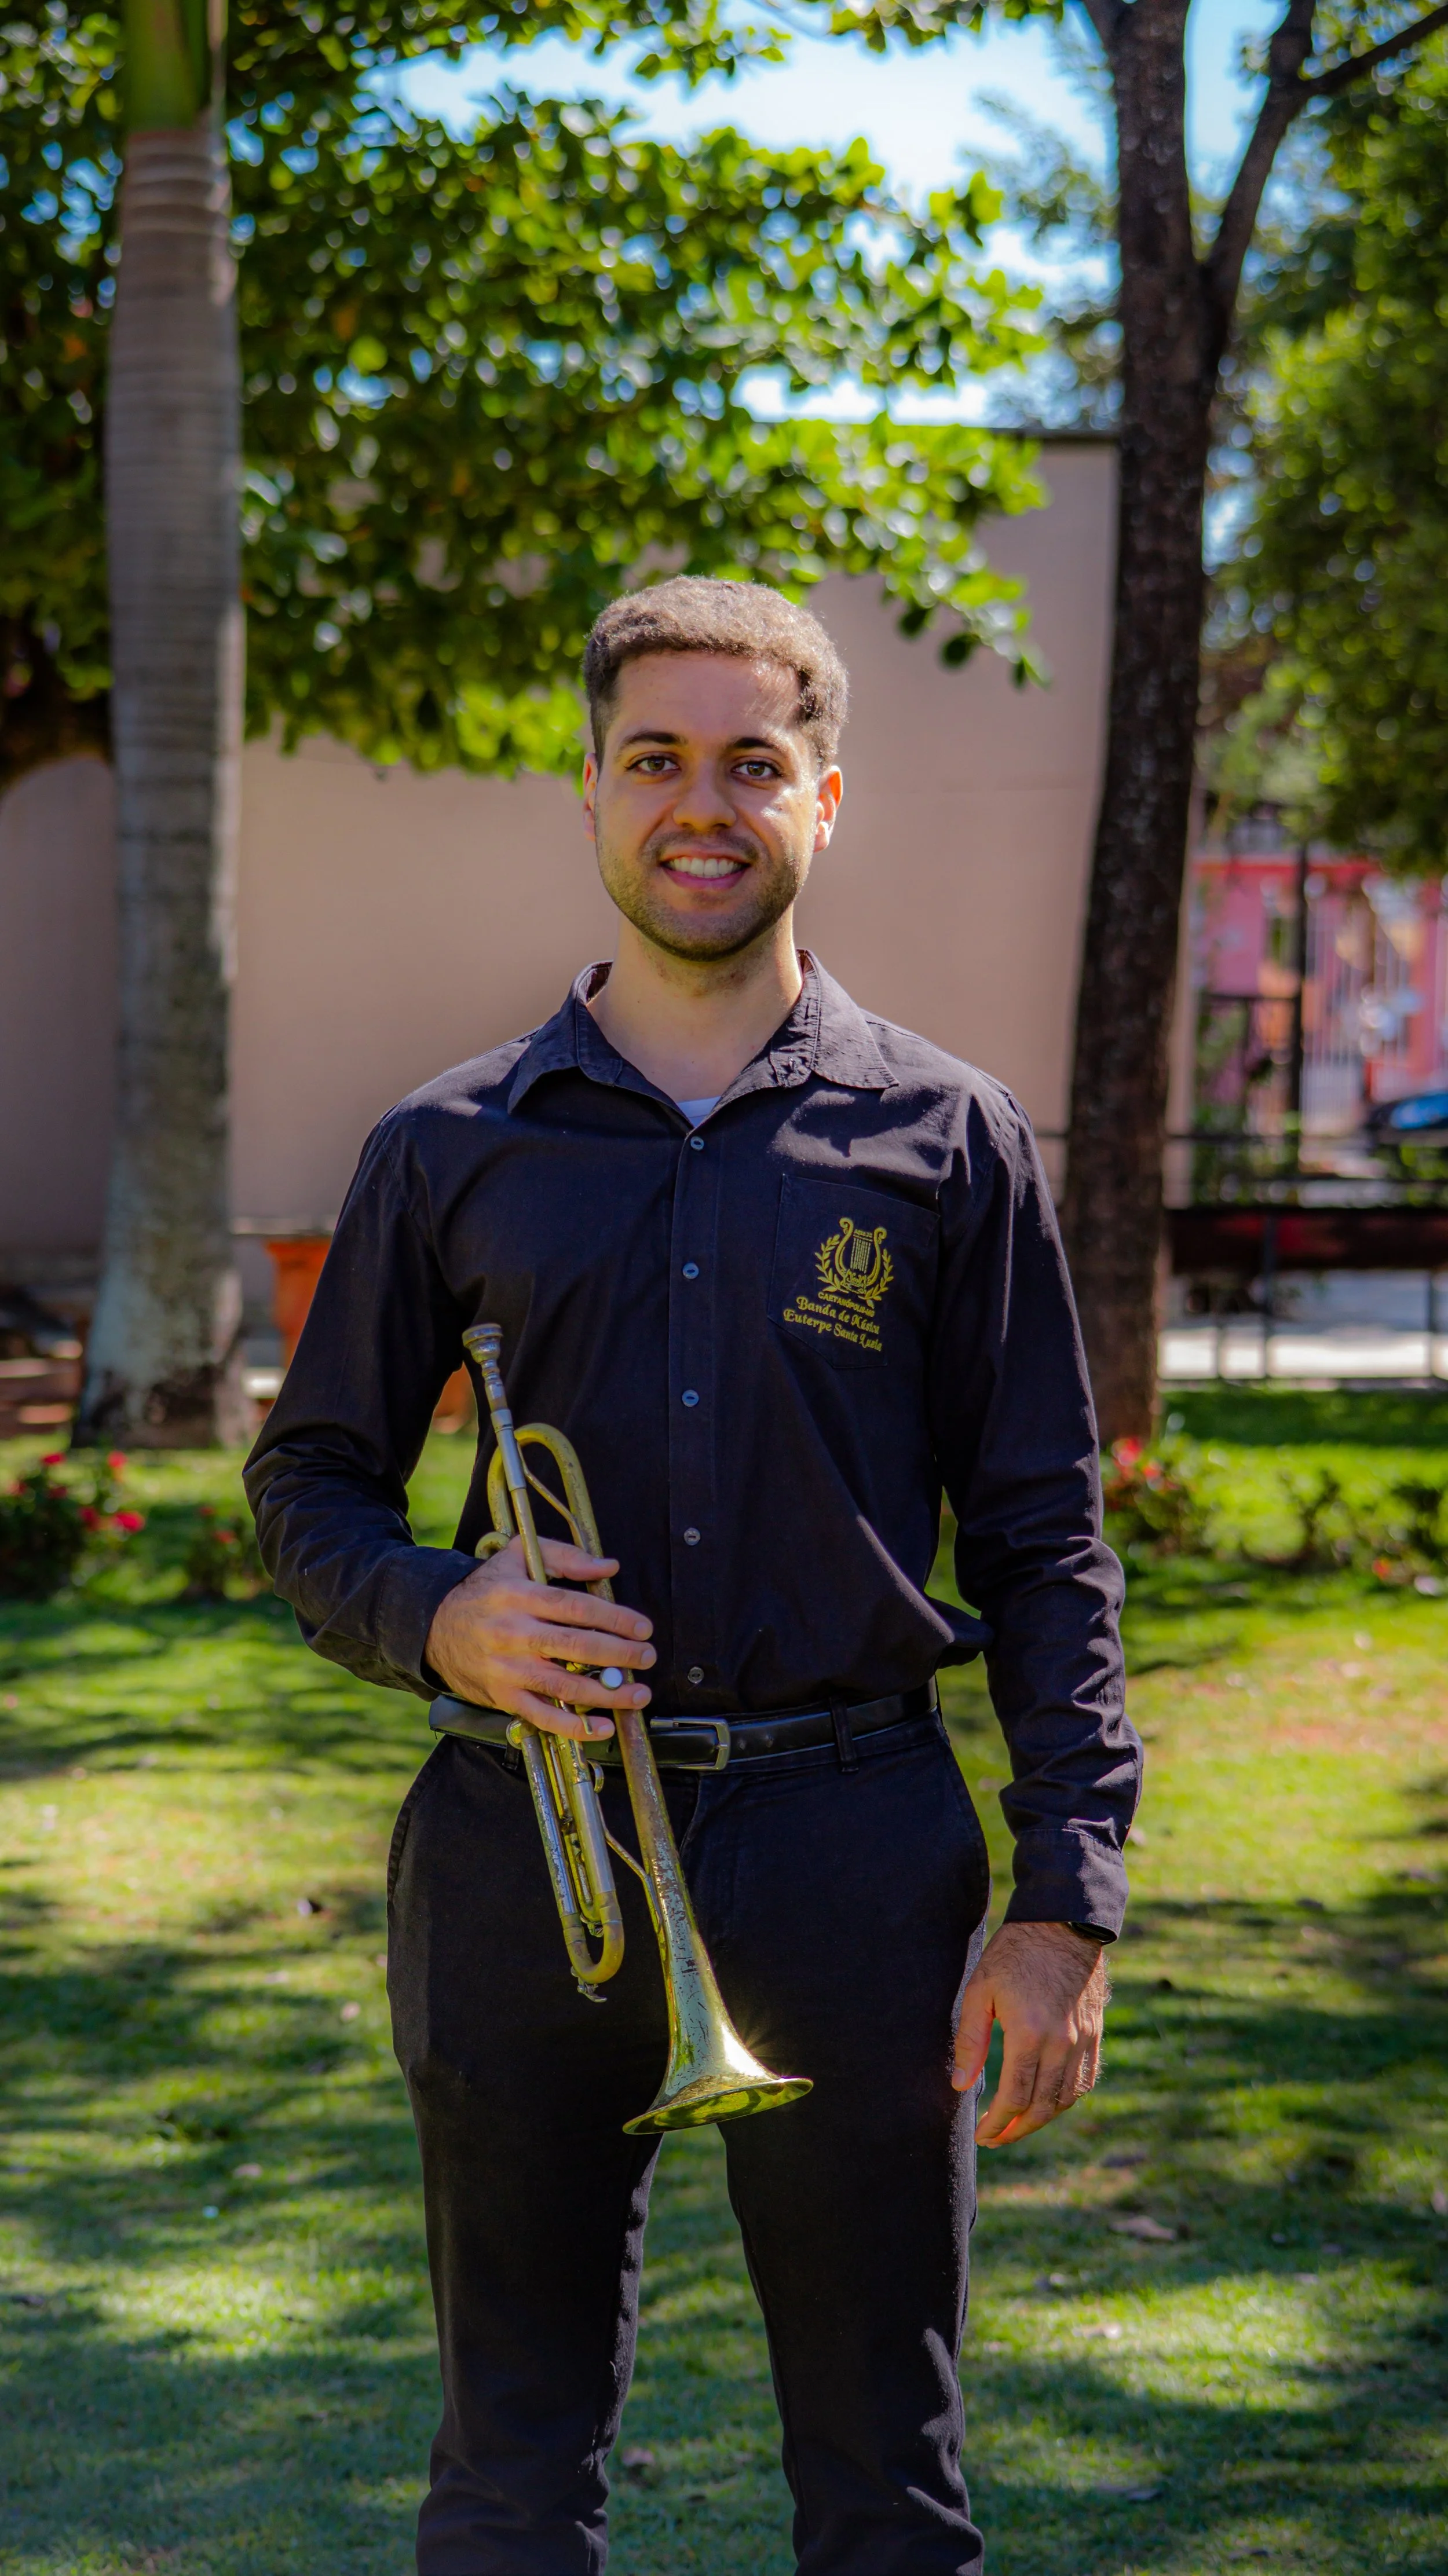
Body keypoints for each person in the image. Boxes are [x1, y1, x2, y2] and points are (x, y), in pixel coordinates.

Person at [244, 575, 1139, 2576]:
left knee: (886, 2488)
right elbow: (306, 1486)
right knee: (508, 2471)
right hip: (518, 1851)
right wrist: (444, 1619)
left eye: (753, 764)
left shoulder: (949, 1139)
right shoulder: (448, 1144)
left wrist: (1065, 1905)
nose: (701, 804)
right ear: (587, 794)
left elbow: (1042, 1542)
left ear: (829, 796)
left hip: (851, 1852)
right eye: (655, 760)